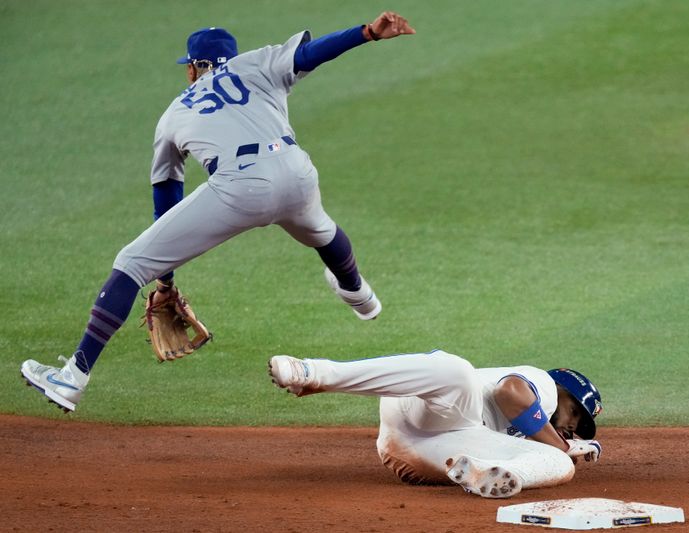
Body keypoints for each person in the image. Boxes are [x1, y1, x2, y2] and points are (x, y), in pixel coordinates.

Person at [20, 12, 416, 412]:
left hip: (240, 185)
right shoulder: (256, 63)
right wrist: (367, 33)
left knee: (131, 262)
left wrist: (165, 280)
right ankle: (360, 296)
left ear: (194, 67)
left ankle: (72, 377)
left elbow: (167, 191)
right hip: (298, 172)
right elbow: (312, 53)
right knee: (321, 230)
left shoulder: (174, 112)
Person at [268, 350, 603, 498]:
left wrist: (561, 452)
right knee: (456, 371)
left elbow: (546, 440)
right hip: (424, 407)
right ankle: (315, 373)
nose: (573, 426)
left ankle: (480, 471)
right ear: (562, 391)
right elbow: (510, 393)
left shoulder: (538, 432)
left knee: (560, 466)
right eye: (576, 413)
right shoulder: (543, 385)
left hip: (410, 453)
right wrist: (563, 445)